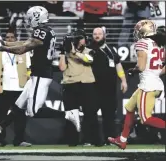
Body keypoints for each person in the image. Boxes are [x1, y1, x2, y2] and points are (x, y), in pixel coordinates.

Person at [0, 6, 80, 140]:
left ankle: (68, 114)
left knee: (32, 111)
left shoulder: (41, 31)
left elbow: (22, 49)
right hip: (37, 74)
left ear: (37, 17)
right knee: (18, 106)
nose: (28, 19)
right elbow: (24, 43)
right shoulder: (45, 30)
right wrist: (3, 44)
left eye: (31, 17)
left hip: (41, 75)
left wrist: (2, 47)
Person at [108, 20, 166, 149]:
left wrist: (132, 71)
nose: (136, 33)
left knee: (145, 118)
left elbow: (140, 66)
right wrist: (155, 73)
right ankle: (122, 140)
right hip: (153, 82)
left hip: (148, 85)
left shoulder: (143, 43)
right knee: (129, 107)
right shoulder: (160, 44)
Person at [0, 29, 31, 147]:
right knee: (0, 115)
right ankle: (0, 140)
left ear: (16, 39)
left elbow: (28, 70)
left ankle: (19, 140)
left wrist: (28, 83)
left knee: (20, 116)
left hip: (20, 89)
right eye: (7, 37)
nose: (10, 39)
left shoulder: (23, 52)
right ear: (4, 39)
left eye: (12, 37)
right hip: (3, 88)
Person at [59, 30, 100, 146]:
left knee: (90, 113)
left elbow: (89, 60)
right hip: (70, 84)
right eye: (77, 38)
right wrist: (63, 52)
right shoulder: (67, 53)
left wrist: (74, 52)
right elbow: (62, 68)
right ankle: (72, 141)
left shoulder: (90, 51)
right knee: (71, 114)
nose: (80, 41)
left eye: (81, 38)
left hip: (87, 84)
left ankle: (90, 139)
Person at [89, 27, 128, 145]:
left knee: (109, 116)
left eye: (99, 34)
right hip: (93, 88)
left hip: (109, 89)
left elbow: (118, 65)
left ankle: (109, 139)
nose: (97, 36)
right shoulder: (89, 50)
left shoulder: (110, 50)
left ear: (104, 35)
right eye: (95, 34)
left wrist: (124, 80)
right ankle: (92, 140)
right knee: (90, 114)